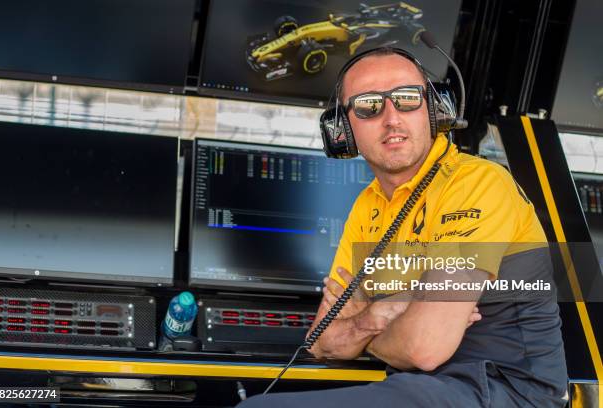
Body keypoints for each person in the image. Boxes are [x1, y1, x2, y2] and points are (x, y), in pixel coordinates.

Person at [237, 48, 567, 407]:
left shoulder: (478, 184)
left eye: (408, 99)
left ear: (434, 109)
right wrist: (379, 315)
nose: (392, 118)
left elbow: (425, 347)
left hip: (503, 392)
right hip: (419, 388)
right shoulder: (368, 206)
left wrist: (364, 326)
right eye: (367, 106)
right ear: (342, 130)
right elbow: (322, 339)